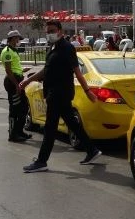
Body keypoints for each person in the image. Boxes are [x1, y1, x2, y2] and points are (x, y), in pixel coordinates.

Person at [19, 20, 101, 172]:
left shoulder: (67, 48)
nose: (49, 33)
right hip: (53, 92)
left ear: (60, 31)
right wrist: (28, 81)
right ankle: (92, 150)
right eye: (47, 31)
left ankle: (41, 161)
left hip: (60, 93)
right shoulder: (53, 47)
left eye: (52, 30)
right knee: (72, 123)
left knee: (50, 127)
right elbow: (46, 70)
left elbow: (77, 72)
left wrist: (87, 91)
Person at [2, 30, 32, 143]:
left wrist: (22, 70)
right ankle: (13, 134)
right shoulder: (8, 51)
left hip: (17, 78)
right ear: (12, 38)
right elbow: (8, 70)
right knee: (14, 109)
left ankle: (19, 131)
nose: (18, 41)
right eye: (17, 38)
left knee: (23, 107)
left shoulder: (13, 51)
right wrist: (17, 85)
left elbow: (14, 68)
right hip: (12, 81)